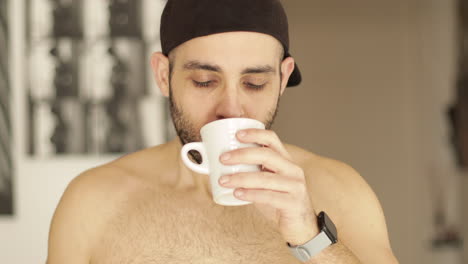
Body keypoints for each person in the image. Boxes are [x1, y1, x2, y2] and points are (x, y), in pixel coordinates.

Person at [47, 0, 399, 263]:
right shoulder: (92, 201)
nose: (231, 108)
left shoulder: (338, 190)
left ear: (283, 79)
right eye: (204, 81)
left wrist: (310, 236)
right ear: (163, 75)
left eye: (255, 83)